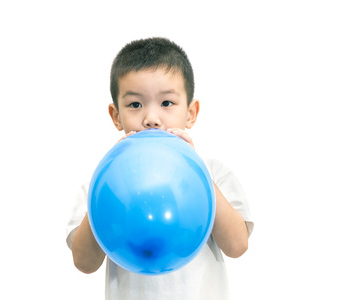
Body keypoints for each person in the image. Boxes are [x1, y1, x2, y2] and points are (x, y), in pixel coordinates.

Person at [66, 37, 253, 300]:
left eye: (166, 103)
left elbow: (237, 246)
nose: (151, 119)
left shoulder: (213, 172)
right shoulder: (103, 183)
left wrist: (198, 173)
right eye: (134, 104)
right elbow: (84, 263)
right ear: (116, 116)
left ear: (191, 113)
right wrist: (105, 187)